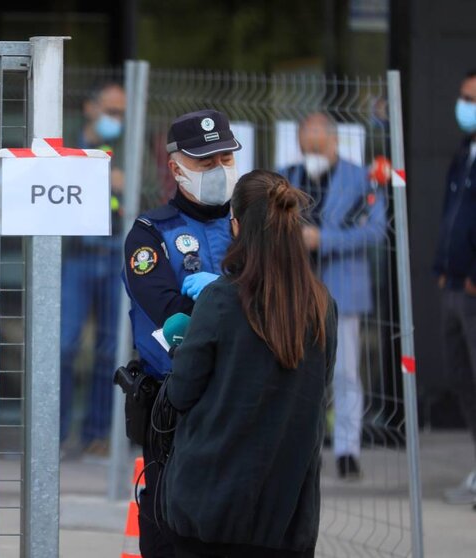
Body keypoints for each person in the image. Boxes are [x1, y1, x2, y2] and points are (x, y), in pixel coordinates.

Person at [161, 170, 337, 558]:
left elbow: (181, 392)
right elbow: (317, 387)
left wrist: (181, 343)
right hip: (289, 518)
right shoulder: (321, 306)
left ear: (236, 226)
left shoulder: (221, 300)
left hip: (212, 513)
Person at [123, 109, 241, 557]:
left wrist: (225, 291)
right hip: (174, 406)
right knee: (170, 527)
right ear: (176, 168)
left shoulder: (250, 224)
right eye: (205, 162)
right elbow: (169, 311)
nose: (218, 170)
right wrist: (242, 294)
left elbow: (282, 296)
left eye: (225, 159)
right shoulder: (150, 234)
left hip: (240, 396)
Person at [280, 112, 386, 480]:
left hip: (343, 290)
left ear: (334, 142)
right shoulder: (287, 177)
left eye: (319, 144)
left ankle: (346, 450)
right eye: (306, 144)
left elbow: (376, 231)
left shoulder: (361, 178)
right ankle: (301, 449)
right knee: (296, 371)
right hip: (295, 292)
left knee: (345, 373)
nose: (312, 150)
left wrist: (325, 240)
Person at [60, 82, 126, 457]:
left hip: (115, 252)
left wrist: (128, 185)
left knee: (109, 348)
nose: (115, 119)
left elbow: (153, 188)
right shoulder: (66, 142)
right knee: (65, 345)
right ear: (90, 107)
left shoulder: (129, 147)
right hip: (78, 255)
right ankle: (54, 432)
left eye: (120, 113)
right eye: (110, 110)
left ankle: (98, 434)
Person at [435, 69, 476, 507]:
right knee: (462, 378)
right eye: (464, 96)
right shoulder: (463, 154)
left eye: (472, 99)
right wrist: (442, 269)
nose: (464, 106)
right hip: (452, 283)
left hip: (472, 288)